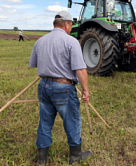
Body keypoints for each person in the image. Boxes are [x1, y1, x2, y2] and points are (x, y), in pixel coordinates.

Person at [29, 11, 92, 165]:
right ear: (66, 24)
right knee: (72, 121)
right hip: (63, 88)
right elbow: (81, 69)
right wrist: (85, 90)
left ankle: (42, 159)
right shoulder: (71, 41)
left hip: (43, 86)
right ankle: (75, 156)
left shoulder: (40, 41)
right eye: (71, 25)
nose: (71, 28)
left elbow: (34, 64)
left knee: (45, 121)